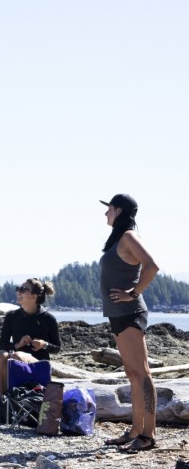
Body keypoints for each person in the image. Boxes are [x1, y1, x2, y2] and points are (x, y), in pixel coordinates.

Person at [99, 193, 159, 453]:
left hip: (130, 313)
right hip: (118, 315)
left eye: (109, 209)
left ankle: (148, 435)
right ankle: (135, 431)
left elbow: (152, 266)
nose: (105, 214)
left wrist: (133, 293)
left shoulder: (128, 237)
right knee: (133, 374)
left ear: (119, 210)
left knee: (142, 373)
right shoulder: (119, 238)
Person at [0, 278, 61, 396]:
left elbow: (57, 347)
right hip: (16, 360)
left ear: (34, 296)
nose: (18, 292)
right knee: (0, 356)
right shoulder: (12, 316)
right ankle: (2, 400)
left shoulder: (48, 319)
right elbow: (2, 344)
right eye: (18, 289)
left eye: (23, 289)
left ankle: (15, 398)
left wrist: (44, 344)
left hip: (39, 365)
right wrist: (17, 345)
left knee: (16, 355)